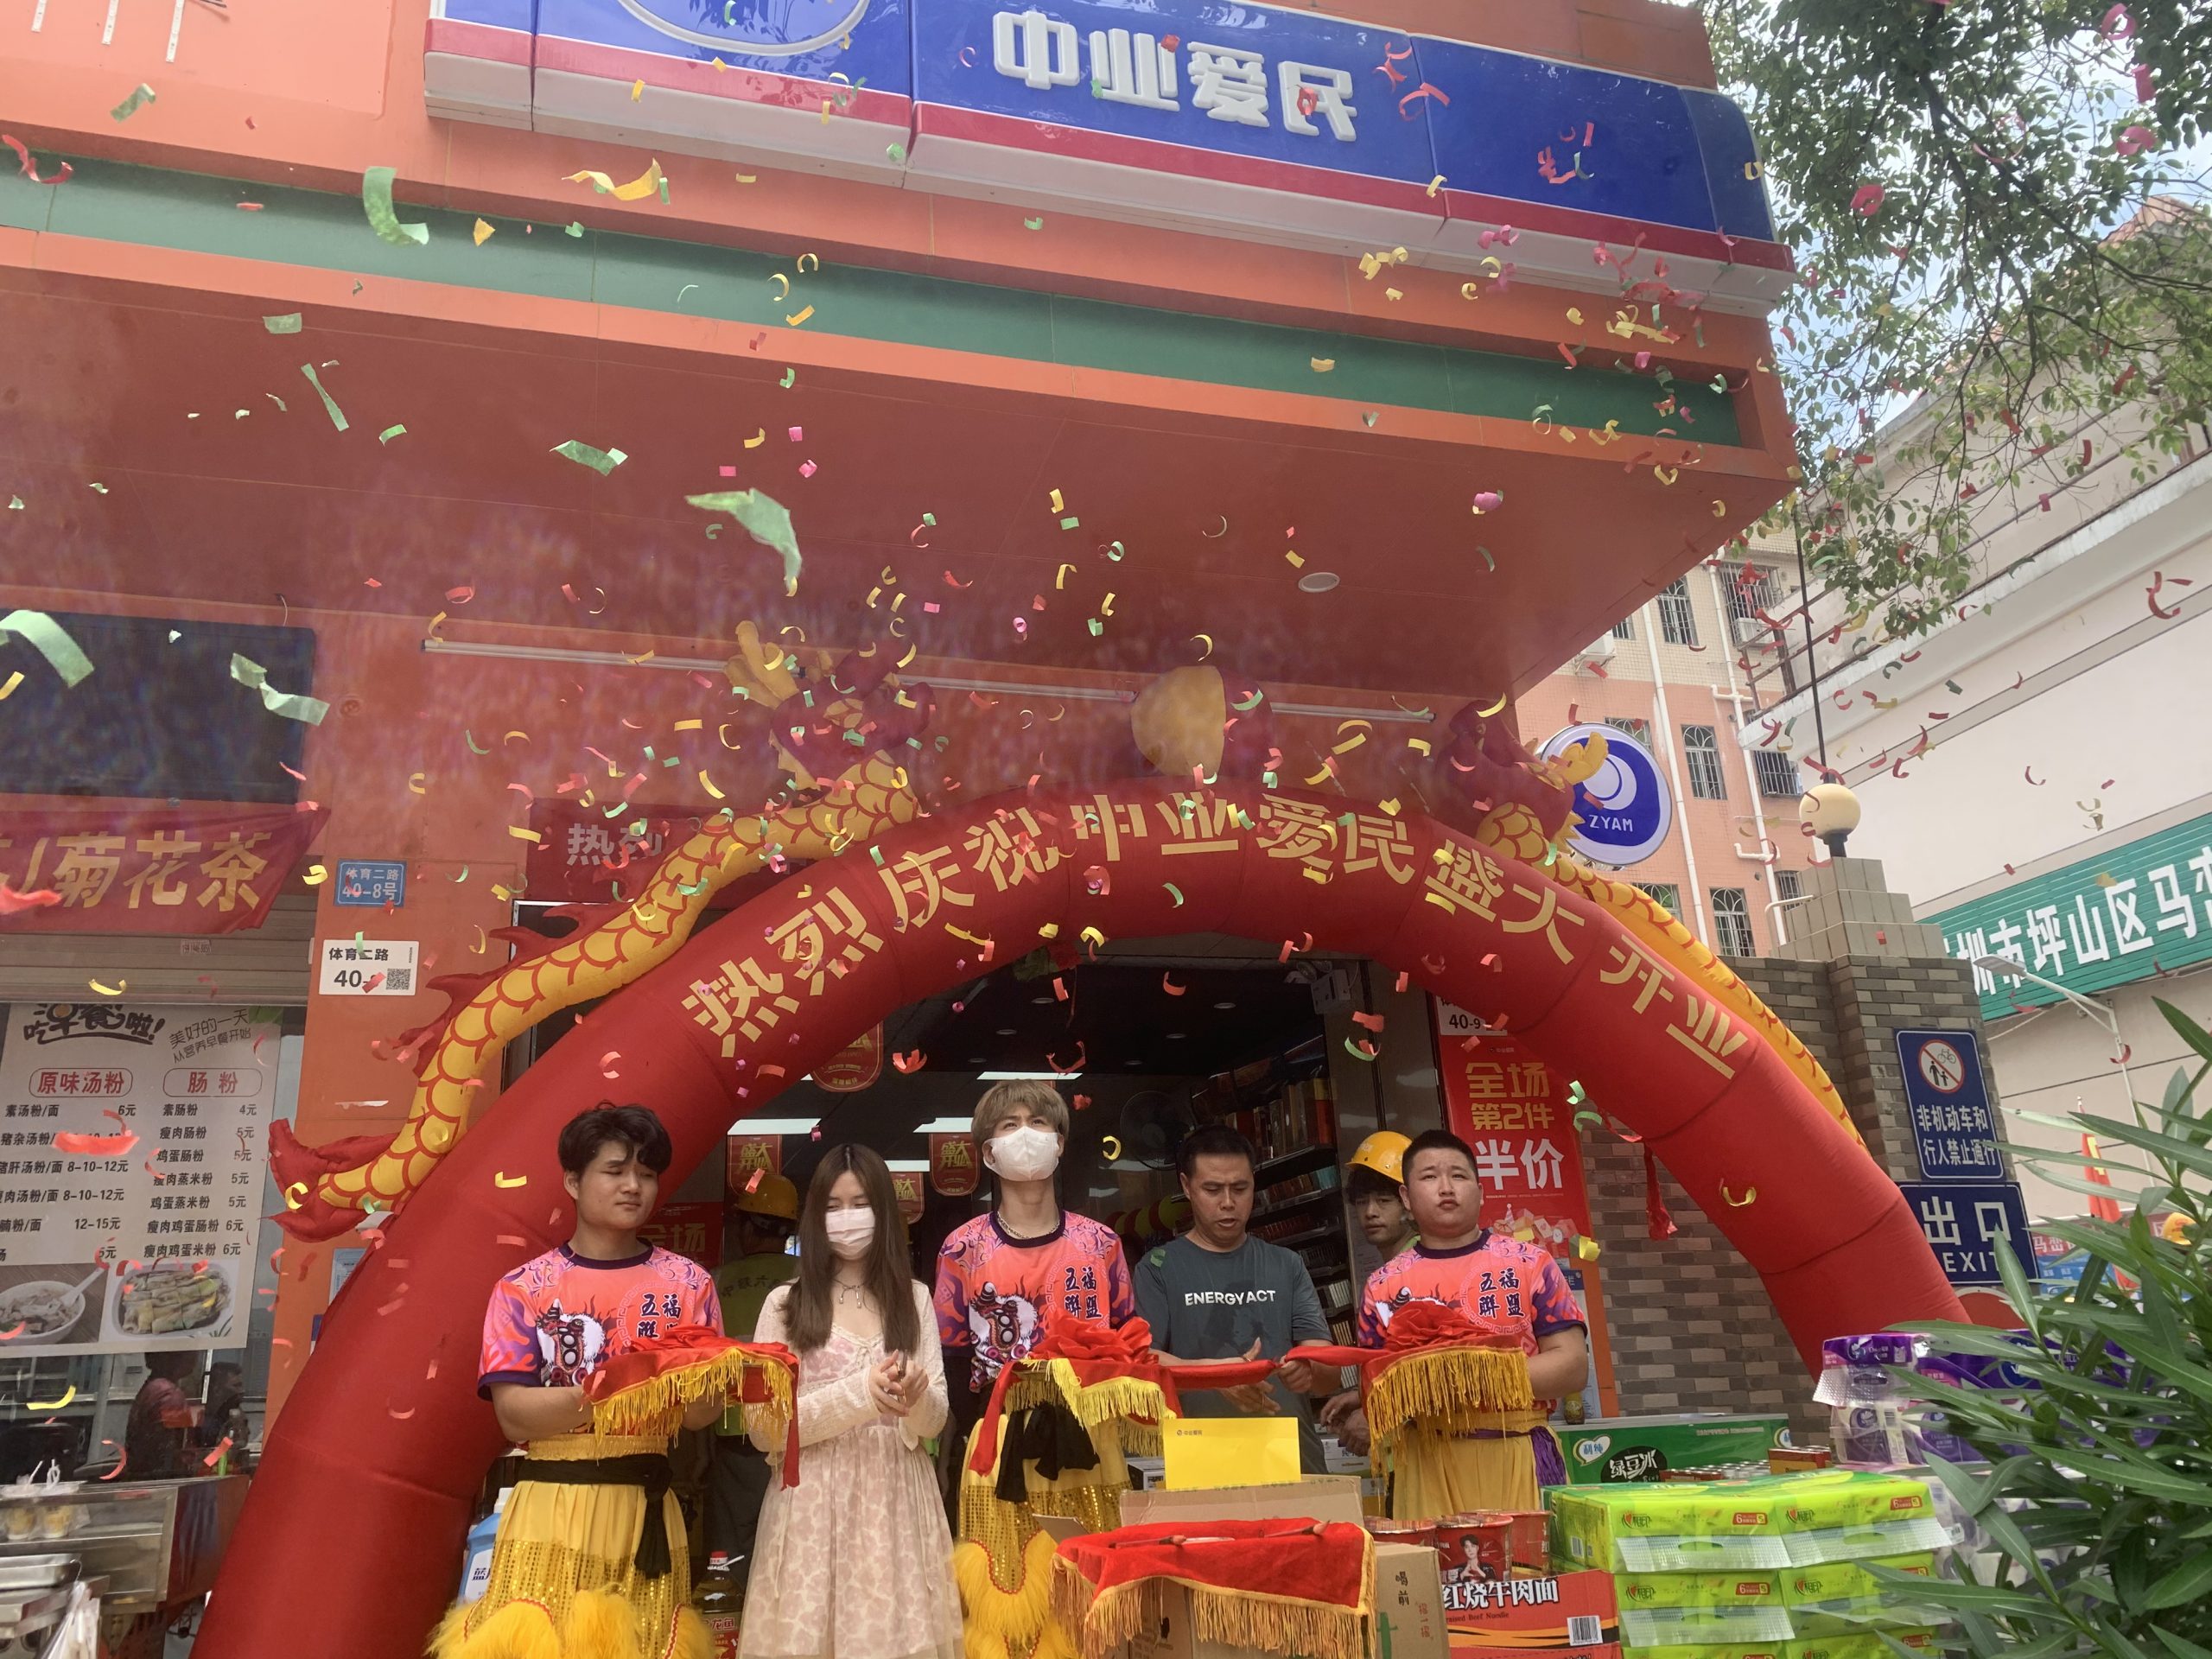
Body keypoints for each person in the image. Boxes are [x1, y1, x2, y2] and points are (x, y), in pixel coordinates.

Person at [435, 1103, 726, 1659]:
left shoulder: (689, 1284)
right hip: (551, 1503)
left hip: (646, 1505)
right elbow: (514, 1415)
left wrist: (702, 1380)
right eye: (615, 1171)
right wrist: (618, 1388)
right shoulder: (524, 1288)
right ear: (573, 1180)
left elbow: (700, 1415)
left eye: (646, 1174)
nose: (633, 1186)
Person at [741, 1144, 961, 1659]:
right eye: (833, 1206)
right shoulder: (783, 1305)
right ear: (815, 1217)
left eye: (860, 1204)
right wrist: (860, 1395)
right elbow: (763, 1429)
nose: (847, 1217)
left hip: (897, 1505)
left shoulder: (915, 1298)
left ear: (883, 1212)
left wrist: (915, 1397)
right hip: (811, 1508)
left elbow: (934, 1421)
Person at [1322, 1129, 1587, 1520]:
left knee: (1525, 1558)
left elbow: (1572, 1367)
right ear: (1407, 1197)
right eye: (1430, 1177)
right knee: (1432, 1557)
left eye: (1459, 1175)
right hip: (1427, 1461)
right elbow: (1379, 1389)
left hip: (1518, 1450)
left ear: (1480, 1192)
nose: (1446, 1187)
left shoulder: (1530, 1263)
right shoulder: (1383, 1286)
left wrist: (1456, 1376)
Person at [1132, 1125, 1338, 1473]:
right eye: (1212, 1189)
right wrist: (1217, 1377)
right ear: (1186, 1186)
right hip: (1202, 1463)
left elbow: (1328, 1369)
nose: (1228, 1202)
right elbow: (1142, 1363)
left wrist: (1309, 1371)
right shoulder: (1158, 1268)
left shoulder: (1285, 1264)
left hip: (1293, 1460)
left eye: (1240, 1189)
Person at [933, 1079, 1133, 1398]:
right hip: (998, 1418)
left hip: (1094, 1413)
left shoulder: (1102, 1242)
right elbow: (951, 1358)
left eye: (1038, 1122)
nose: (1025, 1133)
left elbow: (1129, 1339)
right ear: (989, 1152)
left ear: (1059, 1143)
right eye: (1010, 1125)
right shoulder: (962, 1248)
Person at [705, 1173, 800, 1573]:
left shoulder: (716, 1282)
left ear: (746, 1227)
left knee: (735, 1552)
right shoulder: (812, 1280)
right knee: (794, 1544)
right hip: (799, 1431)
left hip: (736, 1431)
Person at [124, 1351, 202, 1480]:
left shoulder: (154, 1386)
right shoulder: (170, 1395)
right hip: (160, 1481)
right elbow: (174, 1454)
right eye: (191, 1350)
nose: (196, 1355)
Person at [1345, 1131, 1418, 1262]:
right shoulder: (1401, 1262)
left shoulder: (1419, 1263)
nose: (1370, 1212)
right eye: (1361, 1202)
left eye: (1383, 1200)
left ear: (1409, 1204)